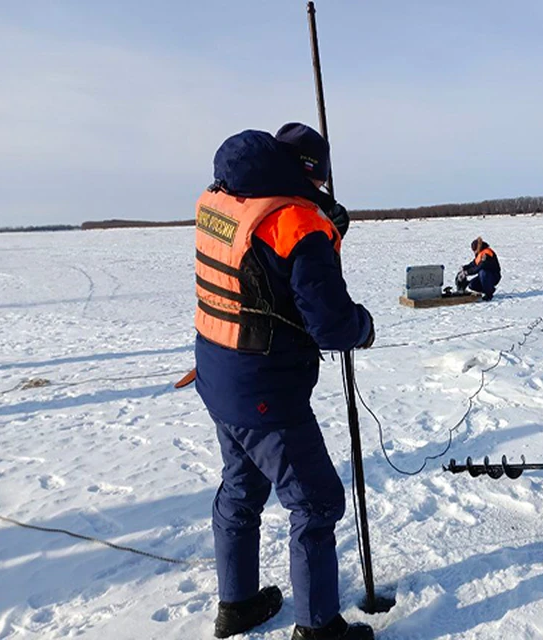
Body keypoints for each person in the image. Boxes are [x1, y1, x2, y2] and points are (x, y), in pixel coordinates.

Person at [193, 122, 375, 640]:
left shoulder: (221, 197)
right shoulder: (297, 223)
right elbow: (331, 323)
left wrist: (324, 227)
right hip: (265, 389)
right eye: (318, 184)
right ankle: (318, 629)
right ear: (310, 175)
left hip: (218, 374)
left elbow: (264, 269)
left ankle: (239, 604)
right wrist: (363, 328)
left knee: (241, 486)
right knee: (317, 501)